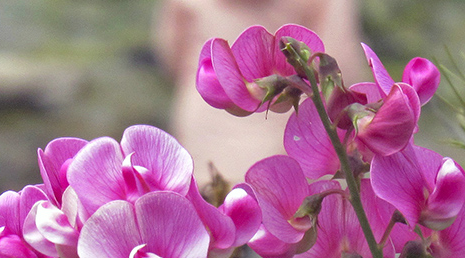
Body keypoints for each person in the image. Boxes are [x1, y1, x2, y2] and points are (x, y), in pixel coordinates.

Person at [153, 0, 365, 187]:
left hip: (204, 120)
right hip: (275, 126)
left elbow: (171, 52)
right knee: (266, 217)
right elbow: (340, 67)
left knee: (205, 218)